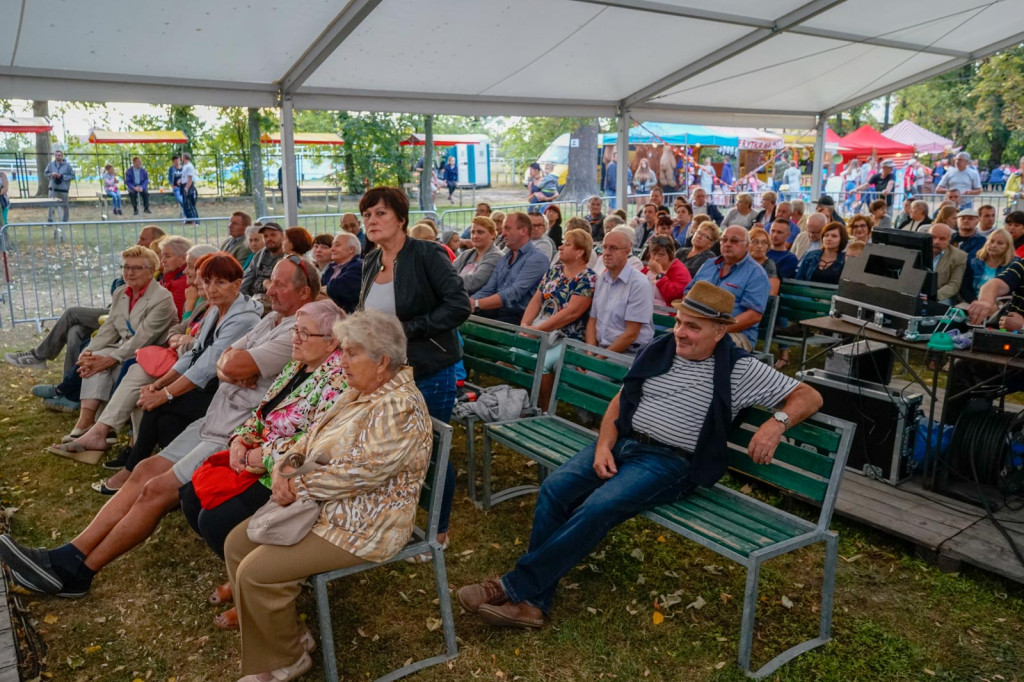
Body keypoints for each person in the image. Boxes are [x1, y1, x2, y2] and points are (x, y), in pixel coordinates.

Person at [457, 282, 822, 630]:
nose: (680, 332)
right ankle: (533, 604)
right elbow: (622, 400)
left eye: (693, 327)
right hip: (623, 443)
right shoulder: (661, 349)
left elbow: (809, 395)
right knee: (554, 488)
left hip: (670, 462)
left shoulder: (740, 369)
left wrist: (776, 424)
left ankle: (512, 588)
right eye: (679, 322)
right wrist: (603, 444)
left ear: (719, 331)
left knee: (598, 507)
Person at [0, 257, 315, 599]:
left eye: (280, 284)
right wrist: (231, 367)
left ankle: (78, 572)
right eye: (271, 281)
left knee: (156, 490)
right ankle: (69, 554)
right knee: (145, 469)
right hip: (215, 419)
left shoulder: (296, 330)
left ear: (305, 292)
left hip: (236, 432)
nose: (270, 288)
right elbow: (223, 361)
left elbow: (225, 362)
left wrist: (229, 366)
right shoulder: (271, 317)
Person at [220, 309, 430, 681]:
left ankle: (286, 658)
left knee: (256, 572)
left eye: (351, 353)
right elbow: (312, 437)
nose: (342, 362)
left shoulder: (397, 405)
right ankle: (289, 635)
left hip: (367, 525)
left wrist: (296, 484)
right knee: (237, 544)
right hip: (325, 507)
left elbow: (363, 472)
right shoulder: (358, 391)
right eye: (343, 351)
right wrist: (286, 463)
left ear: (382, 361)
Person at [179, 301, 346, 626]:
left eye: (303, 332)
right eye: (294, 329)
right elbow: (262, 413)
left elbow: (316, 448)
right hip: (261, 460)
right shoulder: (298, 365)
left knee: (214, 520)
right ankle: (240, 574)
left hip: (294, 479)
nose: (294, 338)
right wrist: (240, 439)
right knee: (189, 496)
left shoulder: (336, 381)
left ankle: (253, 592)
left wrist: (263, 456)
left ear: (332, 341)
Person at [66, 251, 258, 472]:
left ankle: (129, 464)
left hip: (221, 389)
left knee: (150, 394)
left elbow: (204, 363)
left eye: (220, 282)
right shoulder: (214, 309)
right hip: (184, 368)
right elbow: (191, 350)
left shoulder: (239, 316)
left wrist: (164, 392)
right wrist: (159, 385)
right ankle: (97, 430)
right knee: (159, 412)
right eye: (207, 281)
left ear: (237, 284)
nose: (211, 288)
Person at [358, 186, 470, 553]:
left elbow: (459, 305)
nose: (371, 221)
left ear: (401, 218)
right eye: (367, 215)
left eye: (380, 214)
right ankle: (394, 516)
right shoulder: (371, 261)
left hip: (430, 367)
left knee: (433, 448)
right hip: (386, 373)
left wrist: (408, 331)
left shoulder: (426, 254)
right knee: (390, 446)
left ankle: (438, 531)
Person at [44, 245, 178, 446]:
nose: (129, 273)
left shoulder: (162, 298)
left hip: (149, 352)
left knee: (103, 361)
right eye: (126, 267)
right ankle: (86, 421)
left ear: (151, 271)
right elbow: (109, 327)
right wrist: (89, 352)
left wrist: (109, 359)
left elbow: (144, 338)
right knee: (94, 357)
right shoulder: (121, 292)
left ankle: (99, 427)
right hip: (125, 346)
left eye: (136, 268)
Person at [686, 226, 770, 352]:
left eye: (734, 241)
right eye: (724, 240)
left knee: (705, 345)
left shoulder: (756, 274)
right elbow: (687, 295)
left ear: (747, 245)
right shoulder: (709, 264)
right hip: (696, 327)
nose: (728, 244)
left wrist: (715, 330)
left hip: (734, 334)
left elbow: (753, 316)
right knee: (668, 341)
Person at [472, 211, 550, 324]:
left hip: (519, 317)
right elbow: (488, 289)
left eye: (507, 229)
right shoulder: (504, 259)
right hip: (496, 311)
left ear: (523, 230)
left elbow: (514, 293)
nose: (502, 234)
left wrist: (477, 304)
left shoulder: (537, 259)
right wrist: (469, 301)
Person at [586, 230, 654, 354]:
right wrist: (590, 353)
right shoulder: (602, 279)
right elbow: (593, 320)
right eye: (604, 247)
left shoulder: (639, 284)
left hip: (628, 352)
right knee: (562, 365)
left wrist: (597, 360)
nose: (606, 253)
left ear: (627, 251)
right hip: (601, 349)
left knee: (589, 373)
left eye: (613, 248)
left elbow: (631, 334)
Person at [961, 227, 1015, 303]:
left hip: (1000, 305)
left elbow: (1013, 292)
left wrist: (996, 306)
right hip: (973, 302)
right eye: (991, 241)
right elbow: (965, 288)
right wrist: (974, 302)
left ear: (1008, 247)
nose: (993, 245)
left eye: (1000, 243)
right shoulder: (974, 262)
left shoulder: (1013, 265)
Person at [454, 216, 502, 296]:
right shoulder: (467, 254)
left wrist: (448, 282)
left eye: (480, 232)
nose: (475, 236)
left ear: (493, 235)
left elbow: (476, 281)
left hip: (477, 303)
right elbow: (448, 271)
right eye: (473, 232)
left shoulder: (496, 256)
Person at [642, 235, 691, 306]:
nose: (656, 258)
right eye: (653, 253)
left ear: (670, 254)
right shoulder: (648, 268)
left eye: (661, 254)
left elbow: (673, 297)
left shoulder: (680, 271)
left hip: (665, 313)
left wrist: (660, 274)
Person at [320, 233, 363, 314]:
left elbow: (341, 287)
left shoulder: (359, 266)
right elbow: (318, 290)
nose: (332, 249)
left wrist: (327, 289)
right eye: (332, 245)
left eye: (337, 245)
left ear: (351, 250)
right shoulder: (331, 269)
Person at [241, 222, 286, 297]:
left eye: (273, 235)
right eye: (265, 236)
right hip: (254, 300)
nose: (269, 239)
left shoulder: (287, 257)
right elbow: (247, 280)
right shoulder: (259, 256)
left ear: (282, 236)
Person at [929, 223, 967, 305]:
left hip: (941, 295)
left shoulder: (959, 256)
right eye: (933, 237)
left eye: (942, 239)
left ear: (949, 240)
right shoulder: (917, 250)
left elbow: (953, 285)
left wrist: (932, 296)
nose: (936, 242)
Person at [157, 235, 193, 318]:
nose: (163, 260)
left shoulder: (181, 283)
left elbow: (173, 317)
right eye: (162, 256)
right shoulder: (169, 278)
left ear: (184, 258)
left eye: (168, 256)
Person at [44, 149, 75, 222]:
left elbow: (72, 176)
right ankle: (50, 220)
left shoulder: (68, 166)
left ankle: (65, 220)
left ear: (62, 156)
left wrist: (62, 176)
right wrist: (51, 175)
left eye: (59, 155)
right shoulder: (50, 164)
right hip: (53, 188)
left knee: (65, 205)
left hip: (63, 189)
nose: (57, 157)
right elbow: (46, 174)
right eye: (56, 155)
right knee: (51, 205)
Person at [748, 227, 780, 296]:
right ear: (746, 244)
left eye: (764, 242)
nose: (759, 246)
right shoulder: (741, 262)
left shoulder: (769, 265)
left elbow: (771, 295)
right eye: (755, 242)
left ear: (767, 246)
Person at [180, 152, 199, 224]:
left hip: (188, 186)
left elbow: (190, 178)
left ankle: (196, 221)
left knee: (190, 205)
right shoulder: (185, 166)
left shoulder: (189, 166)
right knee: (186, 205)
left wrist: (186, 188)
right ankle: (189, 219)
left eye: (182, 157)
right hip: (184, 184)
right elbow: (185, 177)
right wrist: (181, 180)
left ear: (184, 158)